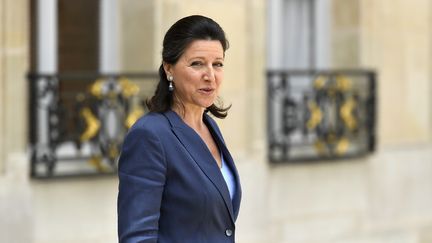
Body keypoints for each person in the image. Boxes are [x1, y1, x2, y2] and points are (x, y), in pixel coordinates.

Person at [117, 15, 242, 243]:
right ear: (169, 69)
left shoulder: (209, 126)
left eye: (218, 64)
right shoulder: (150, 135)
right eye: (197, 63)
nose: (210, 76)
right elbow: (137, 237)